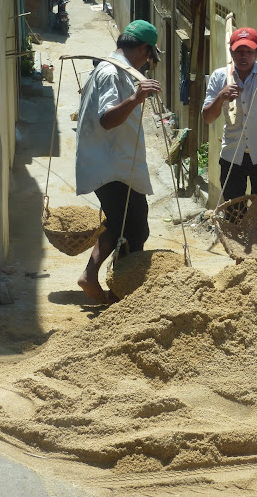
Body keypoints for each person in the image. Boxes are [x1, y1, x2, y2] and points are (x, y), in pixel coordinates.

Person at [75, 20, 161, 303]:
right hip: (112, 167)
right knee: (136, 230)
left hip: (113, 164)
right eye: (150, 56)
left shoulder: (114, 69)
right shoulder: (112, 72)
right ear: (143, 49)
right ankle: (123, 293)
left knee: (118, 224)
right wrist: (136, 99)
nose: (148, 64)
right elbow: (107, 119)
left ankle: (91, 276)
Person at [202, 27, 257, 202]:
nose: (243, 56)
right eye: (238, 51)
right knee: (233, 213)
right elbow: (207, 118)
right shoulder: (219, 77)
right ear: (231, 52)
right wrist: (221, 97)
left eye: (249, 52)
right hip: (231, 156)